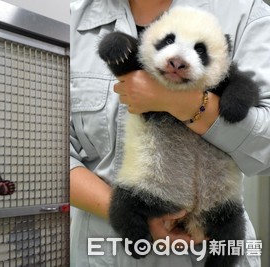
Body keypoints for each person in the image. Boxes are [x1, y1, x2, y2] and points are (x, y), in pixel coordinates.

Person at [70, 0, 270, 266]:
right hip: (106, 243)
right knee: (127, 206)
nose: (177, 60)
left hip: (213, 217)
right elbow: (53, 155)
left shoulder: (246, 10)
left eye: (199, 50)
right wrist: (136, 218)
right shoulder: (74, 17)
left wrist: (178, 101)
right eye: (168, 43)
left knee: (228, 235)